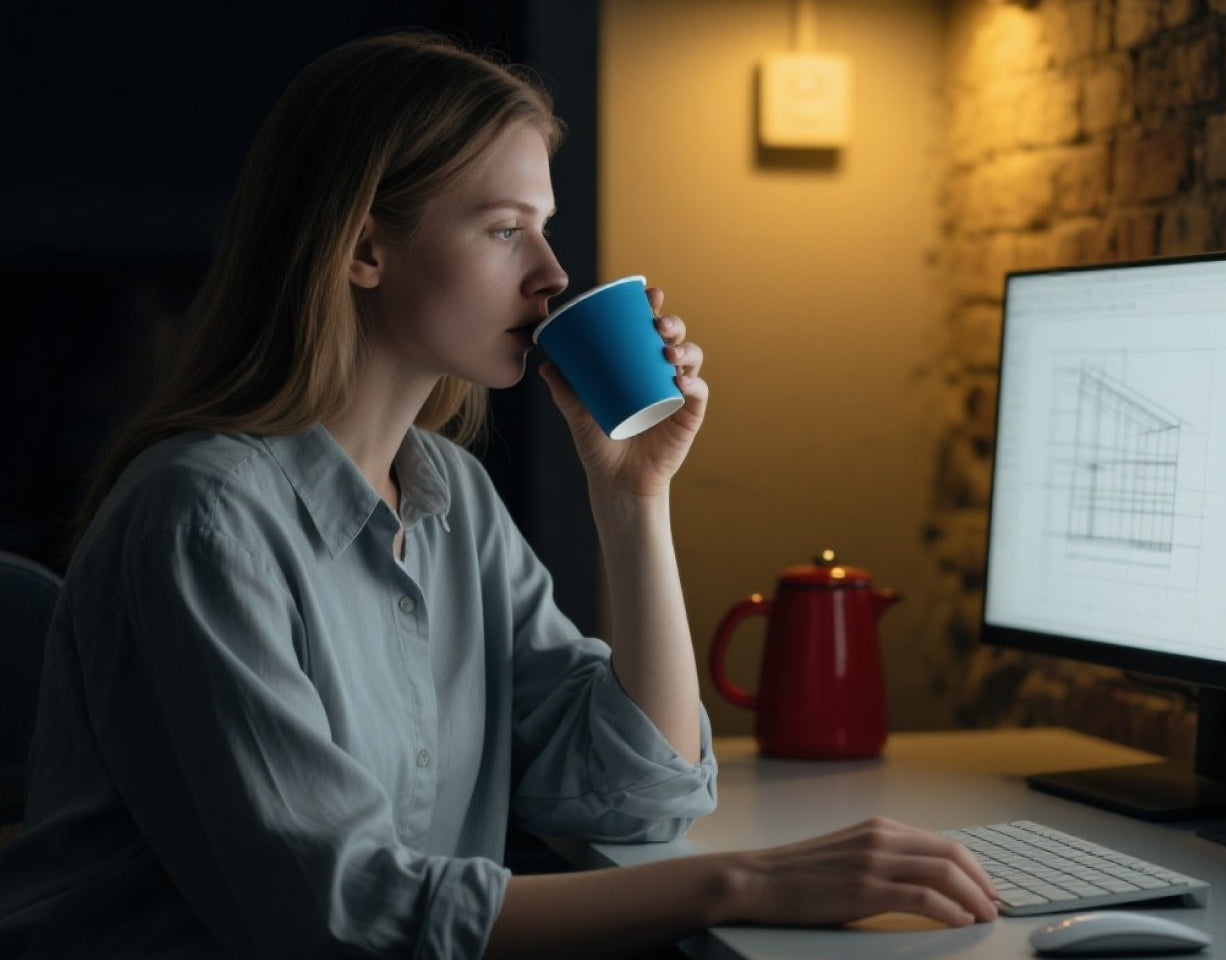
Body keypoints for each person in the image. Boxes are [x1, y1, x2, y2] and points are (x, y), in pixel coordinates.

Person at [0, 31, 997, 959]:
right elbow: (336, 914)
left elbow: (635, 794)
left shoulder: (450, 500)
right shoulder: (200, 520)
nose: (552, 275)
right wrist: (742, 883)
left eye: (545, 230)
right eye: (504, 230)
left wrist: (634, 500)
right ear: (363, 250)